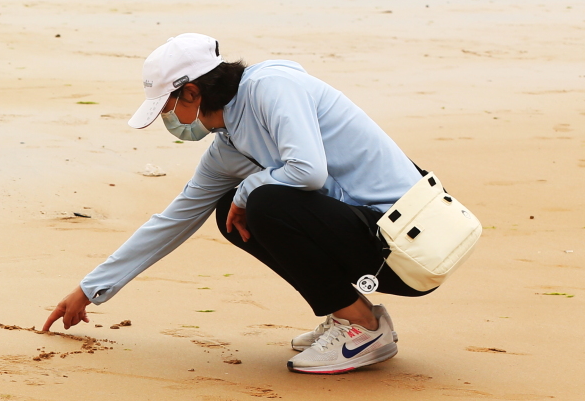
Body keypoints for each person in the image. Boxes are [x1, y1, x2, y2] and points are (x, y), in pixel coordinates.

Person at [41, 33, 432, 373]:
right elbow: (173, 220)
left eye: (168, 106)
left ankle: (363, 330)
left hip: (414, 244)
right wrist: (89, 289)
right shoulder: (227, 145)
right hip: (370, 241)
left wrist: (247, 193)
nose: (168, 119)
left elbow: (309, 171)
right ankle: (351, 313)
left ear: (192, 92)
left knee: (262, 202)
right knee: (232, 209)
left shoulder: (272, 86)